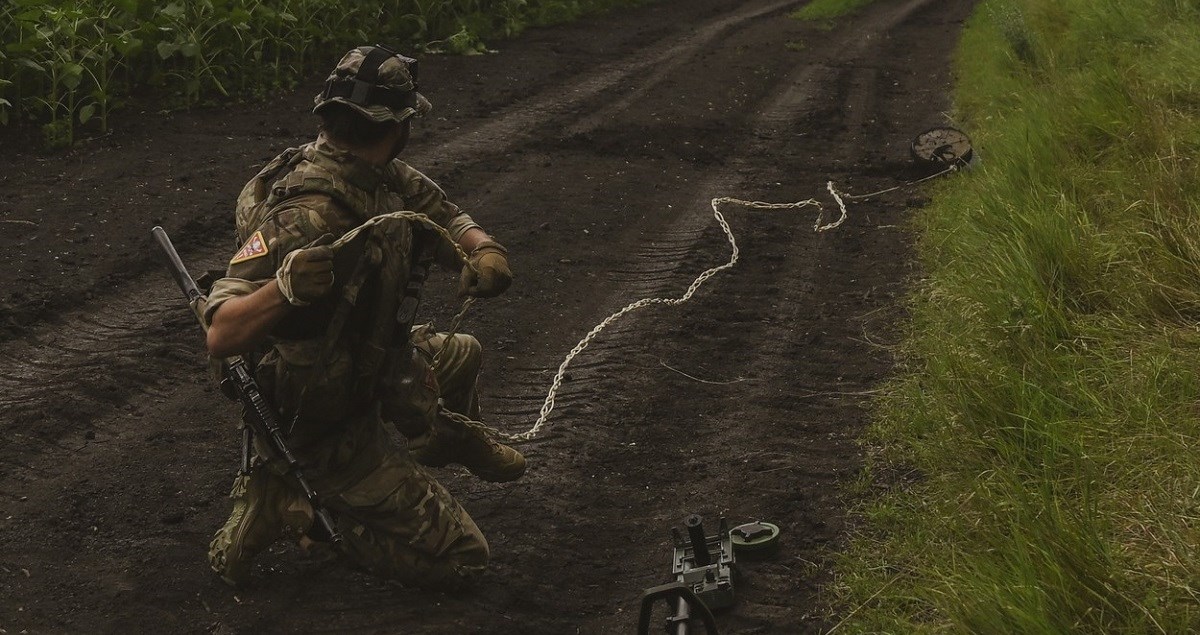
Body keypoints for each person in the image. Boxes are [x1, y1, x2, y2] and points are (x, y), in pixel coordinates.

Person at [201, 45, 525, 590]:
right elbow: (222, 332)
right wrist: (283, 291)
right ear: (397, 126)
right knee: (465, 559)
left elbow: (444, 214)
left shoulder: (381, 176)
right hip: (321, 417)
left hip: (369, 363)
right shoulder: (304, 213)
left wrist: (483, 249)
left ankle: (435, 436)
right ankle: (294, 505)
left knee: (462, 352)